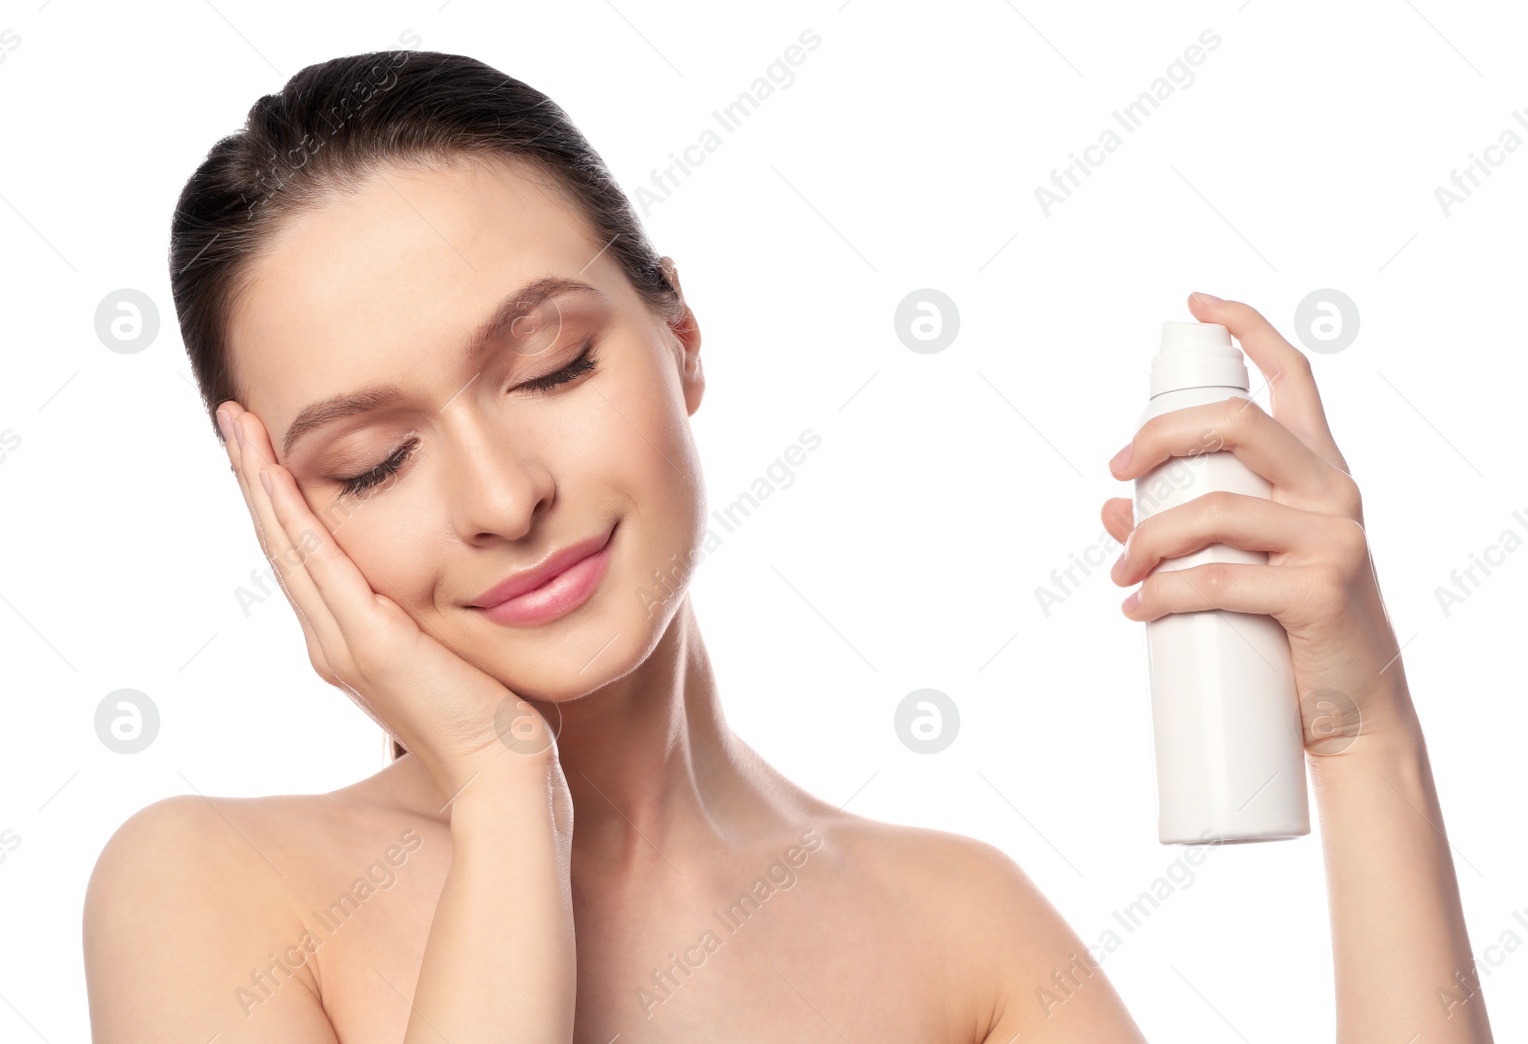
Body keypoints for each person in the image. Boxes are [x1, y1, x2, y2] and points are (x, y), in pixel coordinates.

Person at [82, 49, 1495, 1043]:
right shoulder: (207, 894)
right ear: (285, 514)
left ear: (679, 337)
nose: (501, 497)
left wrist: (1361, 731)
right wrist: (508, 795)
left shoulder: (954, 924)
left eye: (552, 368)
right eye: (374, 462)